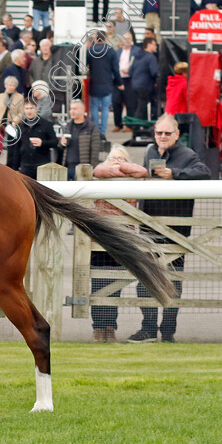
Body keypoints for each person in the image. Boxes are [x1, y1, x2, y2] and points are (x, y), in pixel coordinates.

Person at [127, 115, 210, 343]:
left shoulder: (188, 155)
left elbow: (205, 173)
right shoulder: (150, 151)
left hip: (175, 229)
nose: (162, 137)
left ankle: (168, 330)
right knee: (146, 278)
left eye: (167, 133)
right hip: (148, 226)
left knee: (173, 281)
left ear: (176, 134)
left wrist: (175, 174)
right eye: (158, 133)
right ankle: (148, 328)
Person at [89, 145, 147, 342]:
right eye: (113, 158)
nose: (117, 161)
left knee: (115, 285)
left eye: (122, 159)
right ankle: (98, 328)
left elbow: (142, 171)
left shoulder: (133, 178)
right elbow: (97, 170)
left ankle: (110, 327)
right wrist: (116, 168)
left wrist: (122, 168)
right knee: (98, 284)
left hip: (122, 239)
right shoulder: (100, 174)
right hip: (101, 238)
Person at [86, 32, 123, 136]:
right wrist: (119, 82)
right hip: (107, 83)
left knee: (94, 107)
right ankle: (102, 132)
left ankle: (95, 130)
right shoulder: (110, 51)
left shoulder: (90, 50)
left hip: (94, 83)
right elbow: (116, 69)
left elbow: (84, 66)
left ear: (96, 39)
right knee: (105, 108)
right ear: (105, 39)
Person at [60, 99, 101, 179]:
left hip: (83, 168)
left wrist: (92, 168)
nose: (72, 111)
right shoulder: (68, 126)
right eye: (71, 109)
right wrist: (61, 143)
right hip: (67, 166)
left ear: (83, 110)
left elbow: (95, 150)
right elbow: (61, 148)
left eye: (75, 109)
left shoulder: (92, 127)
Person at [15, 101, 56, 179]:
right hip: (25, 166)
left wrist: (42, 143)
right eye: (27, 108)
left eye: (31, 108)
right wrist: (15, 167)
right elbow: (16, 148)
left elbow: (54, 142)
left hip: (42, 165)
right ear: (24, 110)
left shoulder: (46, 125)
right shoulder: (21, 126)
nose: (29, 111)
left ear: (36, 109)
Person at [111, 32, 140, 132]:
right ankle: (118, 124)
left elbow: (139, 65)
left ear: (131, 40)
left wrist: (129, 70)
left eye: (127, 39)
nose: (125, 41)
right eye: (124, 39)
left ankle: (129, 125)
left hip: (130, 80)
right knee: (116, 102)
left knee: (130, 102)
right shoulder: (118, 52)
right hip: (118, 80)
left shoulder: (136, 51)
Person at [132, 37, 159, 119]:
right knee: (142, 106)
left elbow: (131, 70)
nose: (156, 47)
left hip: (135, 84)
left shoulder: (137, 56)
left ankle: (143, 126)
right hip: (145, 85)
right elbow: (154, 72)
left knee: (140, 105)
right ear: (149, 45)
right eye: (154, 45)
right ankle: (136, 127)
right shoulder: (151, 57)